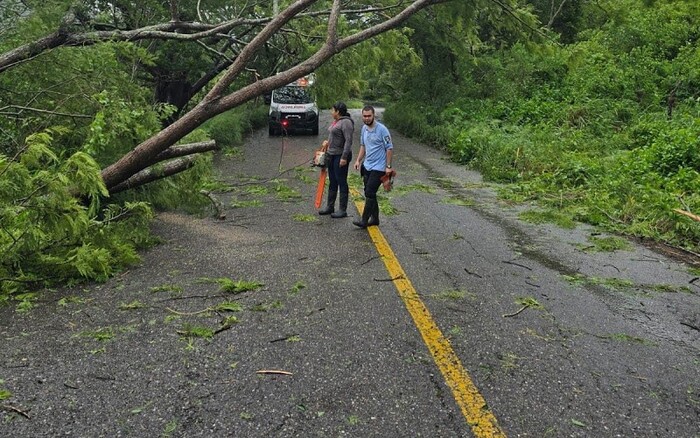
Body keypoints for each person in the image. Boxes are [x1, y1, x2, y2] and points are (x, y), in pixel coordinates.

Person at [353, 105, 393, 228]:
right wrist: (358, 160)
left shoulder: (382, 129)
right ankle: (375, 219)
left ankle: (364, 220)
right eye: (364, 116)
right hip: (367, 165)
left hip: (379, 167)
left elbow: (389, 148)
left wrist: (388, 166)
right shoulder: (364, 129)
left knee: (370, 192)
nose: (367, 118)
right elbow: (363, 146)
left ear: (373, 115)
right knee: (368, 192)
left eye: (369, 116)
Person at [318, 101, 354, 218]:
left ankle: (342, 209)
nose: (331, 112)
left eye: (332, 110)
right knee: (332, 180)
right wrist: (327, 142)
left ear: (338, 111)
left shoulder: (346, 122)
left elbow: (348, 141)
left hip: (340, 155)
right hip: (332, 154)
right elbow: (335, 136)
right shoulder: (337, 122)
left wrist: (344, 157)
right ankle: (330, 206)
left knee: (341, 180)